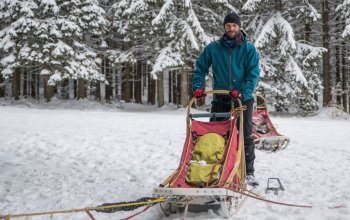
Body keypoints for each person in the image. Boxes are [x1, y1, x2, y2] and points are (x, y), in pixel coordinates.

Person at [192, 12, 260, 186]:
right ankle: (216, 167)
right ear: (224, 27)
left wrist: (243, 93)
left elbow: (253, 74)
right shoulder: (214, 48)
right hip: (221, 97)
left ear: (239, 27)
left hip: (242, 99)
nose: (231, 28)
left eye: (234, 25)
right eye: (228, 25)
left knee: (245, 135)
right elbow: (200, 68)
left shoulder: (249, 49)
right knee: (215, 134)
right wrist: (198, 87)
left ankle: (249, 172)